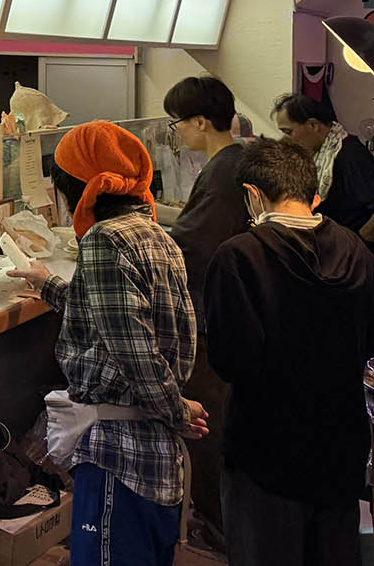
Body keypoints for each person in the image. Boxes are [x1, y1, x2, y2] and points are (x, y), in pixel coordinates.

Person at [8, 121, 207, 566]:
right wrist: (47, 283)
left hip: (121, 455)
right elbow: (113, 315)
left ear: (75, 186)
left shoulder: (104, 240)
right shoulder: (155, 234)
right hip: (154, 453)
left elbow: (135, 353)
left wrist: (176, 412)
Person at [203, 138, 374, 566]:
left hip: (265, 453)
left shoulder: (239, 256)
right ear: (310, 190)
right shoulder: (356, 250)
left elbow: (230, 361)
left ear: (253, 194)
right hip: (341, 447)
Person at [161, 75, 245, 542]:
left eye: (176, 123)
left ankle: (217, 526)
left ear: (199, 121)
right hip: (233, 313)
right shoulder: (238, 160)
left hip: (210, 319)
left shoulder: (221, 172)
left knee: (206, 421)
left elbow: (192, 245)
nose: (176, 133)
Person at [272, 93, 374, 238]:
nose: (285, 139)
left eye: (289, 132)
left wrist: (360, 242)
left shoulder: (349, 155)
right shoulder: (319, 152)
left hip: (349, 245)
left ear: (313, 125)